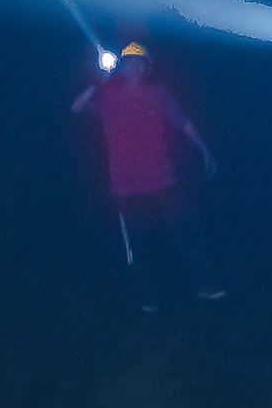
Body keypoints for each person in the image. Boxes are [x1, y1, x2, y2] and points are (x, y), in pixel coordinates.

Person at [72, 38, 221, 312]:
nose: (135, 68)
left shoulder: (158, 94)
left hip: (163, 178)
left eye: (140, 64)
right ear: (123, 67)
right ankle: (149, 298)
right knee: (139, 245)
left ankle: (209, 286)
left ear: (146, 68)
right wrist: (100, 80)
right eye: (130, 63)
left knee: (186, 234)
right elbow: (78, 108)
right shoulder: (107, 96)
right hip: (126, 184)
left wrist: (203, 150)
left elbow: (183, 123)